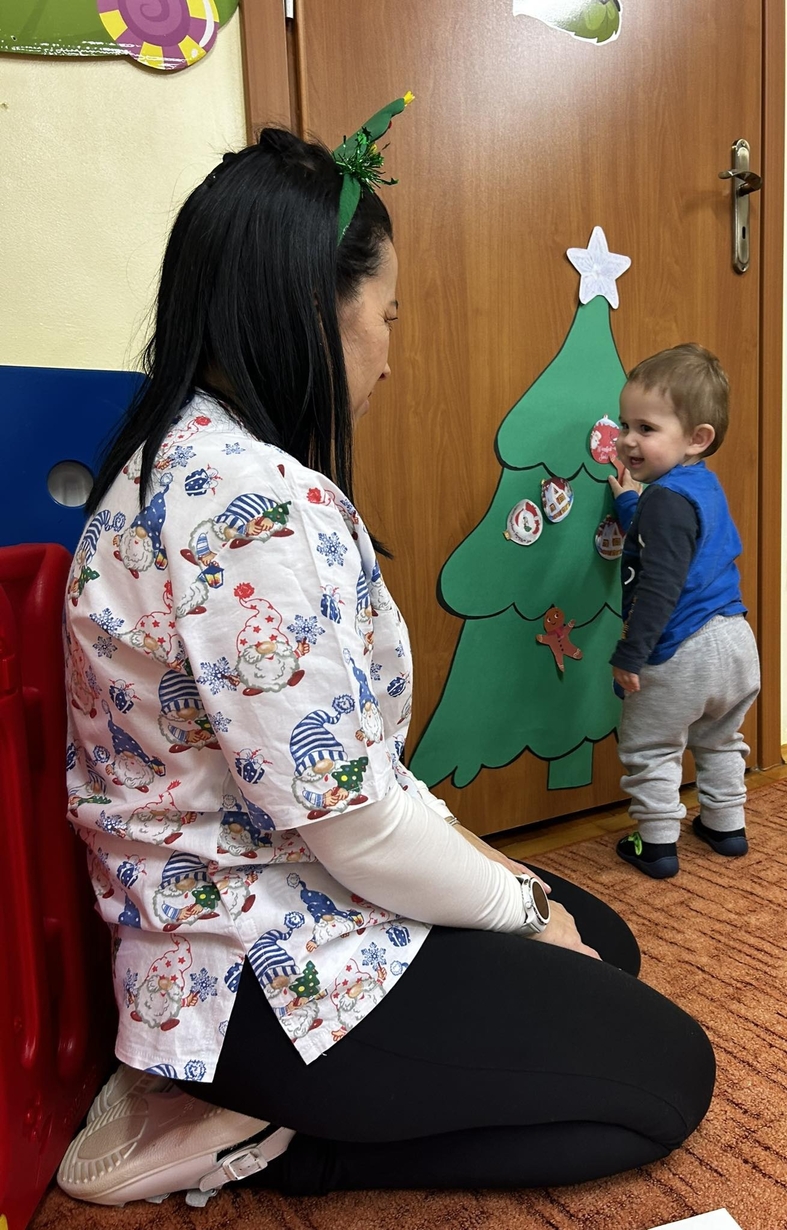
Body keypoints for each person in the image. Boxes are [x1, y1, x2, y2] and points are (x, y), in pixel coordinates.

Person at [58, 100, 715, 1206]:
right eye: (388, 314)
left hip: (242, 911)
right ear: (313, 307)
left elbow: (346, 778)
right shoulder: (250, 502)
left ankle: (248, 1090)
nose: (391, 355)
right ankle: (271, 1144)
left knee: (601, 941)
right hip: (257, 967)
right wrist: (520, 909)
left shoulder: (182, 455)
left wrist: (512, 890)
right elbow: (350, 819)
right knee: (666, 1078)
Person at [609, 344, 760, 880]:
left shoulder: (665, 501)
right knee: (720, 738)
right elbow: (677, 541)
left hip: (680, 648)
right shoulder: (699, 485)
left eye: (646, 428)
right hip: (735, 640)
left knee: (652, 746)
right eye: (625, 424)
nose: (627, 440)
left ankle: (655, 845)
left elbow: (660, 585)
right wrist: (631, 503)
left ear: (697, 438)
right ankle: (725, 826)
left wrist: (631, 653)